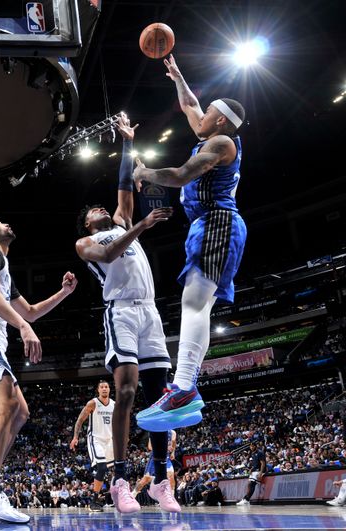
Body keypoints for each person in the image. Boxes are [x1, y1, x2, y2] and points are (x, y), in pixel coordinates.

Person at [74, 114, 185, 513]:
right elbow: (109, 253)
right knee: (125, 391)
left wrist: (127, 142)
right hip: (120, 312)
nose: (102, 208)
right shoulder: (87, 242)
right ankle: (120, 478)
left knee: (159, 396)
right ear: (89, 223)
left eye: (104, 207)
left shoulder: (122, 219)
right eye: (94, 211)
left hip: (150, 312)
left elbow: (124, 185)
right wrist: (142, 225)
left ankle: (159, 479)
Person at [134, 54, 247, 432]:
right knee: (196, 305)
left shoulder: (222, 144)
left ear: (219, 121)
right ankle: (186, 389)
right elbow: (190, 105)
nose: (199, 117)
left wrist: (145, 172)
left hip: (218, 221)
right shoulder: (212, 133)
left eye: (208, 113)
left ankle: (183, 387)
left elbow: (181, 176)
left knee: (194, 303)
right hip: (209, 225)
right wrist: (178, 76)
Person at [0, 215, 76, 523]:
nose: (9, 224)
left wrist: (63, 293)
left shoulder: (4, 269)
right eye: (1, 222)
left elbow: (31, 312)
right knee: (6, 404)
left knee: (21, 411)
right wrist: (21, 326)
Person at [70, 381, 115, 512]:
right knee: (101, 467)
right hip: (96, 438)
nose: (104, 389)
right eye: (102, 387)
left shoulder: (114, 405)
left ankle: (116, 496)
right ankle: (94, 500)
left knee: (117, 467)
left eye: (106, 387)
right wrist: (75, 437)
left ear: (109, 389)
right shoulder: (93, 403)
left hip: (109, 440)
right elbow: (80, 419)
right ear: (98, 390)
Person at [133, 430, 178, 497]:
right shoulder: (155, 430)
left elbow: (174, 443)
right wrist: (164, 447)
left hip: (166, 457)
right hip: (155, 457)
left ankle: (172, 497)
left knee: (171, 476)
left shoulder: (173, 432)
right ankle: (133, 494)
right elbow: (150, 447)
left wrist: (173, 452)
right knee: (145, 479)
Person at [237, 441, 266, 505]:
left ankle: (246, 499)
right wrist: (251, 469)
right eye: (250, 446)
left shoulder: (260, 452)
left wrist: (261, 472)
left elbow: (262, 463)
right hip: (254, 470)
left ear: (255, 446)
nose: (251, 447)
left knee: (251, 484)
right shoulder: (252, 453)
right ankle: (246, 499)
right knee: (249, 485)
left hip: (259, 471)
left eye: (252, 446)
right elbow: (255, 464)